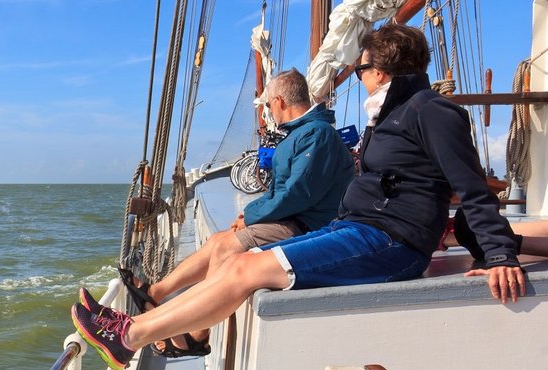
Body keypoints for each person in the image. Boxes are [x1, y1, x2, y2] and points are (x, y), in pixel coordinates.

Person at [72, 24, 524, 370]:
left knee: (246, 266)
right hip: (361, 230)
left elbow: (468, 186)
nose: (359, 76)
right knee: (231, 262)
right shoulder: (393, 114)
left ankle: (129, 335)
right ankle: (155, 327)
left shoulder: (431, 110)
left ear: (380, 70)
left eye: (362, 68)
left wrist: (500, 253)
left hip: (392, 243)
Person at [120, 68, 355, 357]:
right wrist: (253, 214)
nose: (268, 111)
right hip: (292, 218)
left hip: (307, 227)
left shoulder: (316, 136)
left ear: (280, 101)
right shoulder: (302, 134)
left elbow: (297, 194)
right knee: (218, 240)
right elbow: (285, 191)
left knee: (227, 247)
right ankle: (156, 293)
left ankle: (196, 335)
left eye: (268, 105)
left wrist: (251, 215)